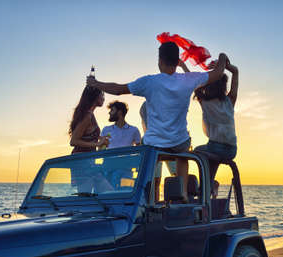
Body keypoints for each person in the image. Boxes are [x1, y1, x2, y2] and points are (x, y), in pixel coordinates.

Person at [86, 41, 228, 199]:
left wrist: (96, 83)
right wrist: (222, 57)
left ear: (160, 61)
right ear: (176, 61)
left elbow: (119, 90)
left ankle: (149, 197)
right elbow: (218, 73)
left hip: (154, 144)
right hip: (179, 143)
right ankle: (184, 194)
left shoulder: (149, 82)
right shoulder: (189, 79)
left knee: (149, 159)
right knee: (183, 155)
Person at [194, 59, 239, 185]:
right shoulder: (230, 101)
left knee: (197, 151)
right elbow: (236, 73)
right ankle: (210, 184)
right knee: (213, 159)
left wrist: (183, 66)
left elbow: (193, 84)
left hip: (214, 147)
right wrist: (226, 66)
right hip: (231, 151)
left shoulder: (205, 102)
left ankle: (207, 185)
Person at [69, 86, 109, 154]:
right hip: (81, 159)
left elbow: (87, 135)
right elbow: (73, 141)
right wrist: (97, 144)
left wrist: (101, 138)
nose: (103, 98)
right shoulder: (87, 116)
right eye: (102, 95)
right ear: (95, 96)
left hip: (88, 157)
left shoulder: (90, 114)